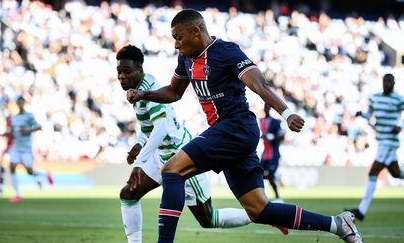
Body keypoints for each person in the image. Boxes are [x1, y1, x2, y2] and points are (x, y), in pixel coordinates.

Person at [126, 9, 363, 243]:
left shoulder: (226, 52)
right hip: (228, 135)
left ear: (196, 31)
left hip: (236, 127)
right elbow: (173, 92)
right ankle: (338, 224)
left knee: (172, 170)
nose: (176, 44)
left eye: (178, 37)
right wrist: (144, 94)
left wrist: (287, 113)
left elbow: (259, 84)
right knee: (259, 210)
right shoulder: (186, 59)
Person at [117, 45, 291, 243]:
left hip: (178, 154)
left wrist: (140, 161)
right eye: (119, 72)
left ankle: (262, 215)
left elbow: (161, 129)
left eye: (127, 71)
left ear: (140, 71)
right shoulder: (138, 91)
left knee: (208, 218)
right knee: (129, 193)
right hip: (160, 154)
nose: (122, 76)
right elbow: (149, 127)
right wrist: (139, 144)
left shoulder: (149, 90)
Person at [346, 73, 404, 221]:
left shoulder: (399, 100)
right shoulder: (375, 98)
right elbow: (369, 115)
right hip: (382, 141)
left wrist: (400, 125)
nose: (388, 84)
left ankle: (361, 211)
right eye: (386, 81)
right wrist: (361, 114)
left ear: (394, 83)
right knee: (396, 173)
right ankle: (361, 210)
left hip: (390, 142)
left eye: (391, 82)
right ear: (383, 82)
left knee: (373, 173)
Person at [8, 96, 53, 202]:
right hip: (16, 147)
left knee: (29, 171)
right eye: (18, 102)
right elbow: (13, 132)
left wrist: (27, 130)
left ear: (24, 103)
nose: (20, 104)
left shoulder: (29, 116)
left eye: (22, 102)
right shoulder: (13, 118)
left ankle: (44, 174)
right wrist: (5, 134)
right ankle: (17, 194)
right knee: (12, 167)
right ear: (17, 104)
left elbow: (39, 127)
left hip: (26, 148)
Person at [259, 104, 285, 202]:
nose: (266, 109)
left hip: (273, 154)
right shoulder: (261, 121)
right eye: (265, 107)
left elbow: (282, 136)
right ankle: (262, 197)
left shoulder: (276, 122)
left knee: (269, 175)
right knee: (259, 175)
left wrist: (272, 137)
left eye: (268, 107)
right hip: (265, 154)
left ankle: (278, 197)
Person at [0, 100, 16, 195]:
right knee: (3, 164)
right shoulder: (8, 119)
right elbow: (10, 133)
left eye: (9, 106)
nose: (8, 109)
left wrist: (3, 134)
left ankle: (41, 175)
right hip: (10, 147)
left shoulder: (18, 118)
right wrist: (3, 135)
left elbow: (15, 133)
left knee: (29, 170)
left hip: (18, 147)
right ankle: (0, 188)